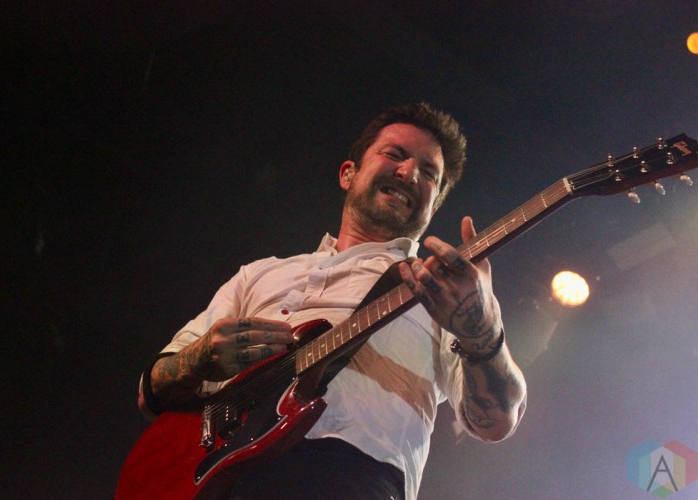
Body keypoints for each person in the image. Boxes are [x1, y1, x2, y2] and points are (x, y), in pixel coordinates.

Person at [137, 103, 527, 499]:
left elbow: (496, 422)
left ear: (433, 205)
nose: (409, 173)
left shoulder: (444, 292)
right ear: (348, 174)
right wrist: (199, 358)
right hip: (211, 475)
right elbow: (150, 392)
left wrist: (482, 333)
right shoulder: (259, 274)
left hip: (350, 475)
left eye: (429, 173)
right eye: (395, 154)